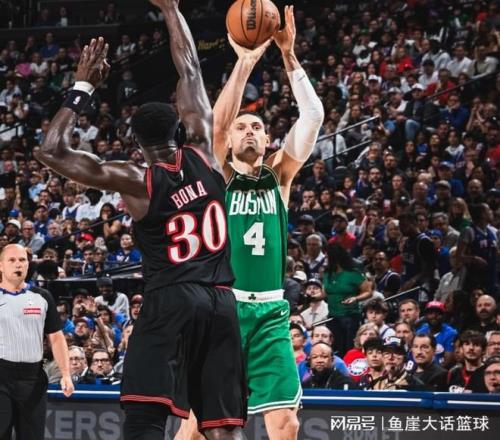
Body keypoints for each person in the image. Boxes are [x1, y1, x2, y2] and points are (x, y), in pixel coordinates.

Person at [36, 1, 246, 437]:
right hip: (222, 302)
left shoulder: (138, 180)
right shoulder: (205, 152)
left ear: (137, 144)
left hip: (172, 299)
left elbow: (51, 150)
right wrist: (171, 9)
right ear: (179, 131)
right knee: (223, 427)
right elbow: (189, 70)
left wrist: (83, 86)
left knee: (145, 414)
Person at [205, 5, 324, 439]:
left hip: (271, 312)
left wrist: (289, 55)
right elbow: (216, 128)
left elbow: (313, 117)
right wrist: (245, 60)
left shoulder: (280, 175)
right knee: (198, 425)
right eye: (243, 127)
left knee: (286, 422)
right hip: (224, 308)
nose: (250, 131)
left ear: (268, 138)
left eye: (257, 126)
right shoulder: (219, 175)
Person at [0, 244, 73, 439]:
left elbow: (56, 338)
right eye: (12, 260)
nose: (18, 264)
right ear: (1, 265)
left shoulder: (42, 297)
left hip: (33, 378)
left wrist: (66, 374)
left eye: (22, 260)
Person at [323, 242, 372, 355]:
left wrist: (356, 298)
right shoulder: (327, 273)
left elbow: (368, 291)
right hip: (332, 317)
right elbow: (324, 293)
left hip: (350, 317)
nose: (325, 259)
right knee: (335, 349)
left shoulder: (352, 273)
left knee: (348, 348)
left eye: (327, 256)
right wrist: (312, 297)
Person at [417, 301, 458, 367]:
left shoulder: (451, 333)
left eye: (438, 313)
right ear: (426, 316)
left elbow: (448, 362)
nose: (434, 316)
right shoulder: (420, 332)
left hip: (441, 371)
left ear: (443, 316)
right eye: (430, 313)